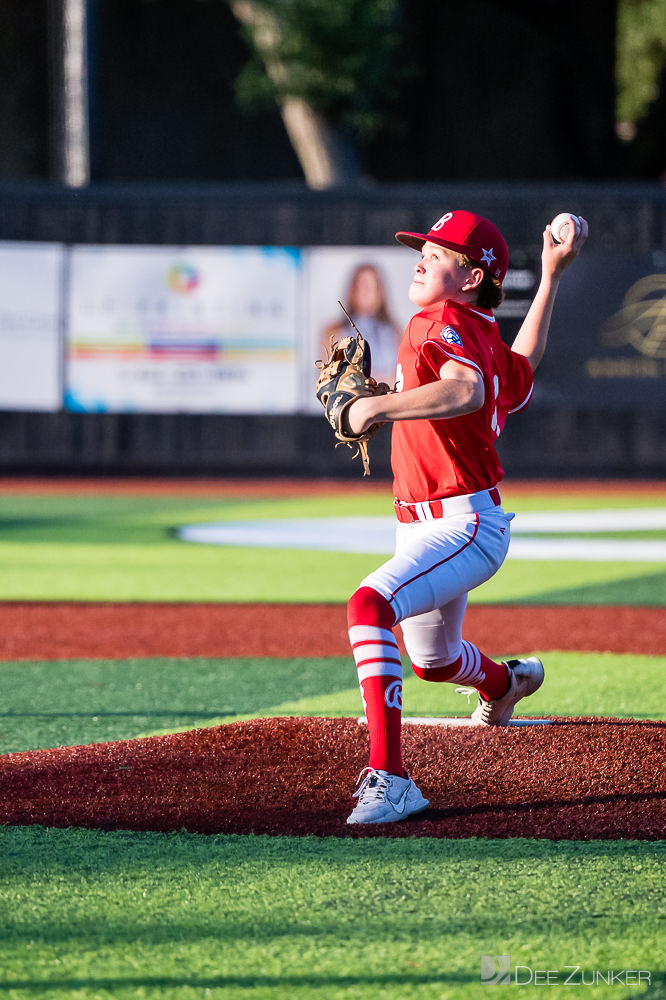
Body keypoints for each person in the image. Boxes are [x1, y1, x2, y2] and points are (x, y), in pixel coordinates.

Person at [342, 209, 588, 825]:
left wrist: (374, 408)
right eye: (422, 248)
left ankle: (392, 779)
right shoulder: (477, 327)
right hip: (435, 520)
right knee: (432, 661)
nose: (422, 257)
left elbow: (466, 392)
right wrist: (552, 278)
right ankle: (505, 684)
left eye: (439, 252)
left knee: (368, 606)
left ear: (472, 276)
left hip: (462, 524)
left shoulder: (441, 319)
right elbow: (520, 371)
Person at [322, 263, 401, 387]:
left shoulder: (395, 332)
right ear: (352, 290)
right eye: (361, 286)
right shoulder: (333, 331)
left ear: (380, 291)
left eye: (371, 286)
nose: (366, 292)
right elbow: (328, 380)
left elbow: (399, 378)